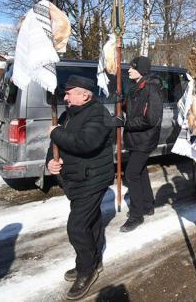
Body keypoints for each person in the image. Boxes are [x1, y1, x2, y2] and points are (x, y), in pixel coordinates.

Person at [46, 75, 115, 300]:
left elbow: (86, 143)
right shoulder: (68, 114)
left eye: (69, 93)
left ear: (85, 95)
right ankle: (92, 261)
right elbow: (56, 143)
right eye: (65, 93)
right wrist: (51, 161)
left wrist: (55, 132)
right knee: (91, 221)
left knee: (76, 227)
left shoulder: (98, 114)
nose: (65, 97)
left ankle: (86, 271)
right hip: (76, 178)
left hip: (92, 179)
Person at [120, 56, 163, 233]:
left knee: (131, 174)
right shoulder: (136, 87)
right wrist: (120, 102)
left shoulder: (151, 88)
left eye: (132, 67)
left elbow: (151, 119)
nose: (128, 70)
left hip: (144, 138)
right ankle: (147, 204)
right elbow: (132, 110)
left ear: (142, 70)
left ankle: (136, 215)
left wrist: (126, 124)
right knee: (140, 171)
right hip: (135, 138)